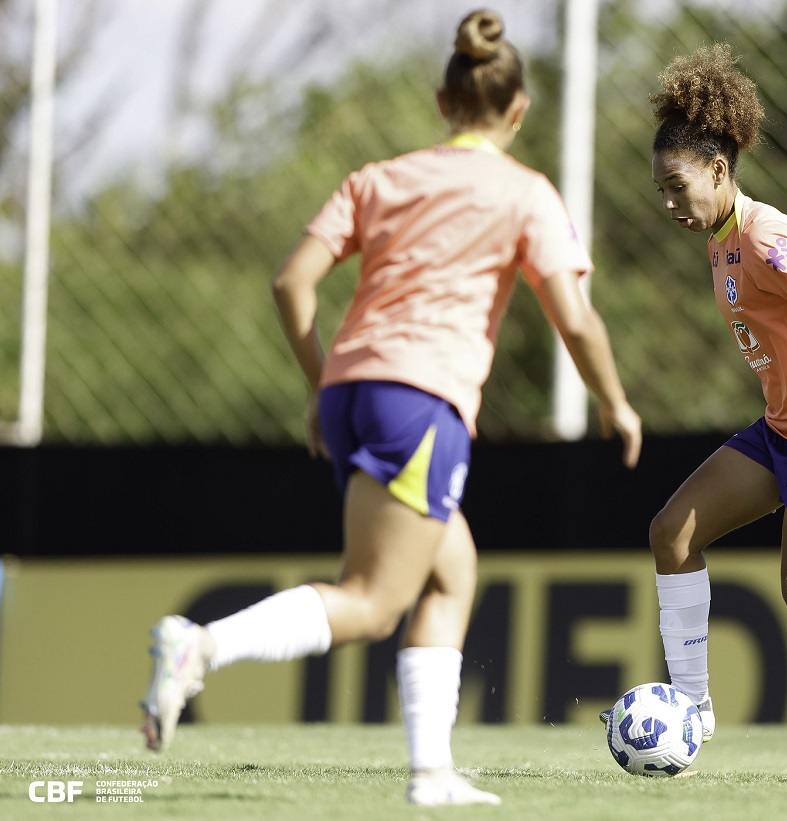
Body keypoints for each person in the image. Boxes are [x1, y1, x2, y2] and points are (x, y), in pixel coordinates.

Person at [139, 9, 641, 808]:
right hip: (422, 398)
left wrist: (319, 383)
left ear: (442, 102)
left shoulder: (379, 178)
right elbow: (574, 316)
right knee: (373, 601)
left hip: (350, 390)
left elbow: (290, 282)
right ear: (518, 112)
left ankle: (432, 774)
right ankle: (200, 646)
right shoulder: (525, 193)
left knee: (453, 570)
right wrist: (615, 400)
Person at [602, 43, 787, 784]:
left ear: (719, 171)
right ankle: (692, 714)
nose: (669, 202)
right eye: (661, 188)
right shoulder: (719, 237)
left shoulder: (765, 232)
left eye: (678, 186)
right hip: (784, 429)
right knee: (671, 533)